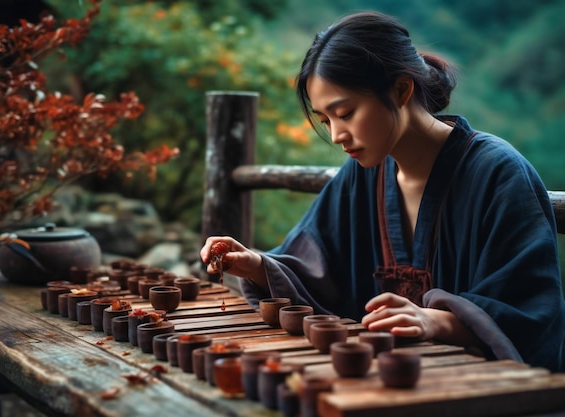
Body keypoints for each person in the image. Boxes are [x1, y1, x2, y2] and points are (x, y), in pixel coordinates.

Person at [200, 11, 565, 372]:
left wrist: (436, 321)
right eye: (326, 120)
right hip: (382, 388)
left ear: (402, 89)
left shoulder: (498, 174)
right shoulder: (361, 177)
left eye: (346, 113)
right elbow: (316, 270)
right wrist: (257, 265)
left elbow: (531, 313)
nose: (336, 136)